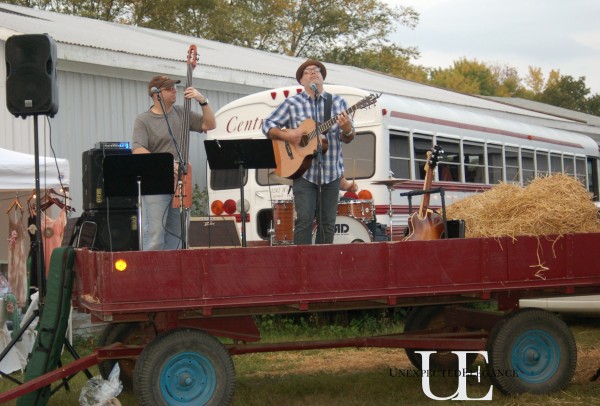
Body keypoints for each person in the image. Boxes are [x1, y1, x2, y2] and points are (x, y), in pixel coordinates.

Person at [263, 60, 355, 244]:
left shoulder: (338, 102)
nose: (313, 72)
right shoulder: (292, 103)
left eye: (317, 70)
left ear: (322, 77)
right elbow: (267, 126)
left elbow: (349, 137)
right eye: (307, 71)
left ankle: (323, 264)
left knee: (327, 223)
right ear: (301, 81)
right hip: (304, 173)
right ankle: (301, 264)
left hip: (331, 172)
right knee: (304, 220)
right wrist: (289, 136)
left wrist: (346, 128)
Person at [132, 75, 216, 250]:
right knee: (155, 233)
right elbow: (138, 149)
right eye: (169, 88)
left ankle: (172, 273)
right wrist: (165, 164)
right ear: (156, 94)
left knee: (177, 233)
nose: (174, 91)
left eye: (174, 88)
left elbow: (209, 124)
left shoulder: (181, 112)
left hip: (181, 180)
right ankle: (152, 271)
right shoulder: (143, 120)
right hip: (155, 182)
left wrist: (203, 101)